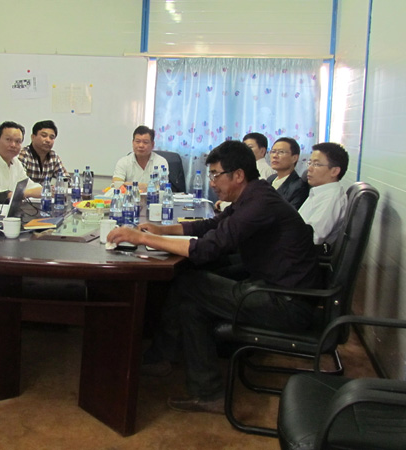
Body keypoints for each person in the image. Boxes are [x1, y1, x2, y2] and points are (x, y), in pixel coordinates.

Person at [107, 140, 322, 414]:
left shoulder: (259, 203)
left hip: (286, 303)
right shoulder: (254, 194)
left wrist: (143, 238)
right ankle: (203, 388)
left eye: (216, 175)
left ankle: (165, 358)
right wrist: (162, 230)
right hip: (271, 287)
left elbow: (208, 247)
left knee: (188, 281)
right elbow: (212, 224)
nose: (212, 182)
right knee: (191, 303)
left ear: (238, 175)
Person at [299, 142, 349, 248]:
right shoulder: (321, 192)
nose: (309, 169)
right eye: (310, 163)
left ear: (334, 171)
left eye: (316, 164)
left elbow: (314, 237)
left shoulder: (331, 198)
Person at [112, 125, 168, 191]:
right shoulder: (123, 162)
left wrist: (128, 185)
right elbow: (117, 184)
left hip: (153, 197)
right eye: (137, 141)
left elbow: (161, 187)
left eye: (145, 142)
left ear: (152, 144)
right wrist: (148, 186)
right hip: (130, 197)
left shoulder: (161, 162)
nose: (141, 145)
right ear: (133, 143)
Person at [266, 137, 309, 210]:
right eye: (273, 151)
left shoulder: (299, 187)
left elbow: (290, 213)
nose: (275, 156)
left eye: (281, 152)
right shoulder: (270, 179)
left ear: (294, 158)